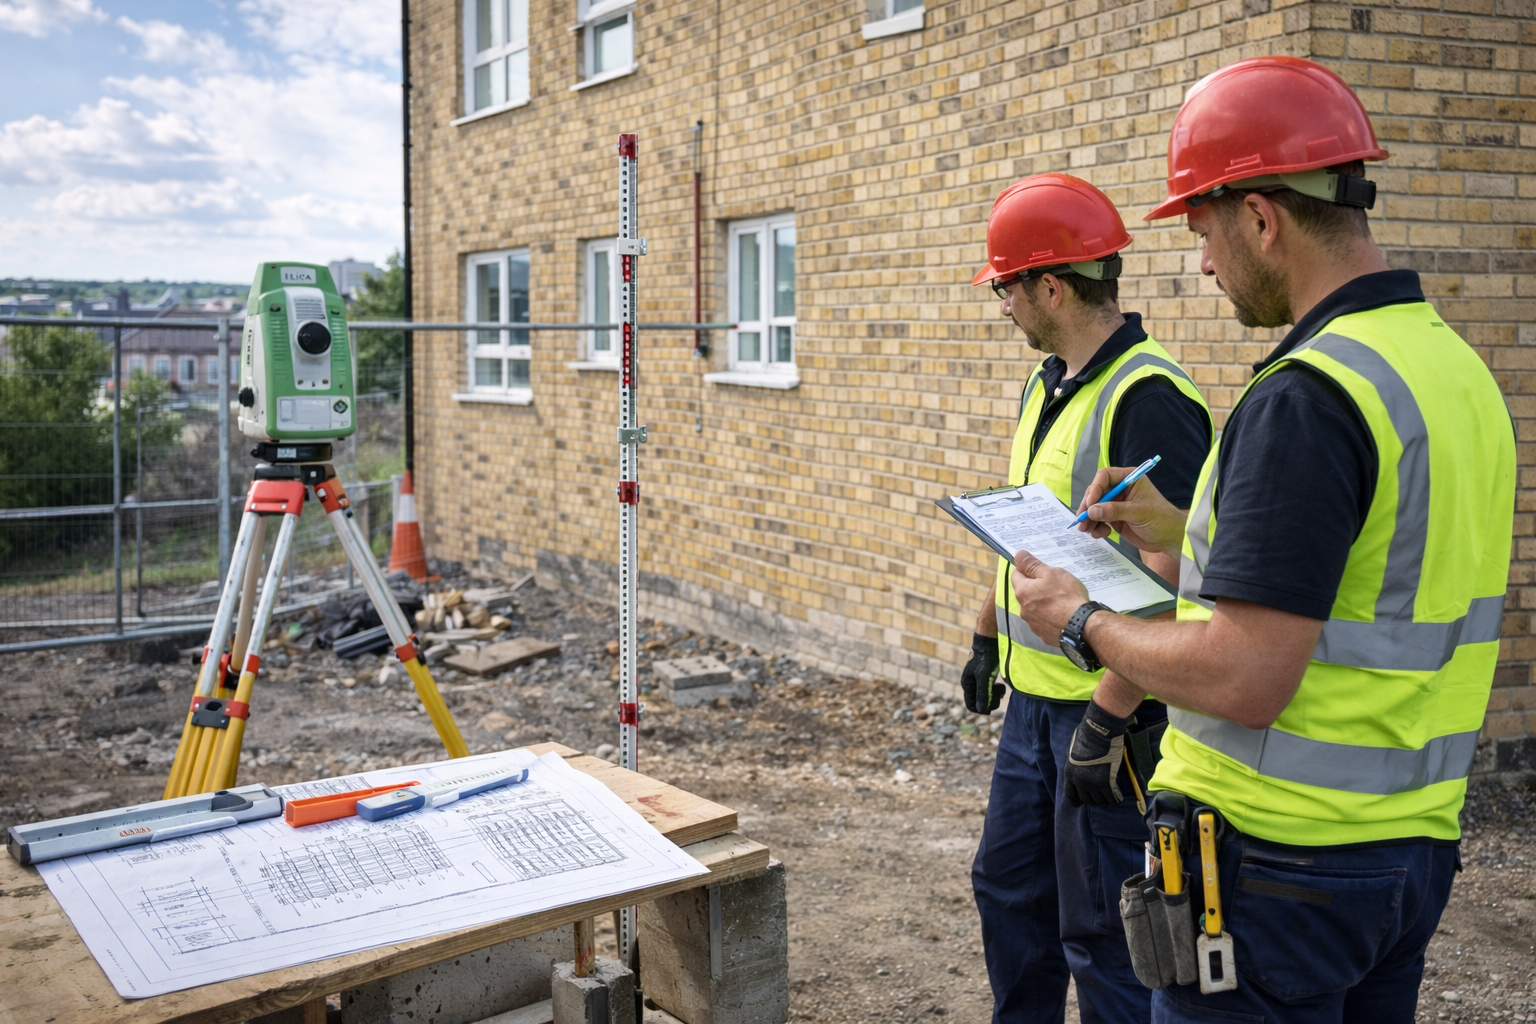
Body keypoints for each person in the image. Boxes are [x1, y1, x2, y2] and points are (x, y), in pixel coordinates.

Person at [1006, 56, 1515, 1023]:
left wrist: (1084, 624)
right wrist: (1178, 527)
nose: (1202, 261)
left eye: (1202, 227)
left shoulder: (1310, 395)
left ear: (1260, 217)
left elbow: (1246, 674)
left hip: (1275, 866)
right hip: (1406, 854)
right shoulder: (1451, 369)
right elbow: (1375, 569)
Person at [963, 173, 1213, 1024]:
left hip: (1105, 719)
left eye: (1006, 285)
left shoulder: (1151, 398)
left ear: (1052, 286)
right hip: (1035, 710)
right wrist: (987, 635)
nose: (1001, 303)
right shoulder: (1050, 381)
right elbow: (1032, 529)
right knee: (1008, 894)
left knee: (1104, 933)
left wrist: (1110, 715)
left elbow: (1188, 584)